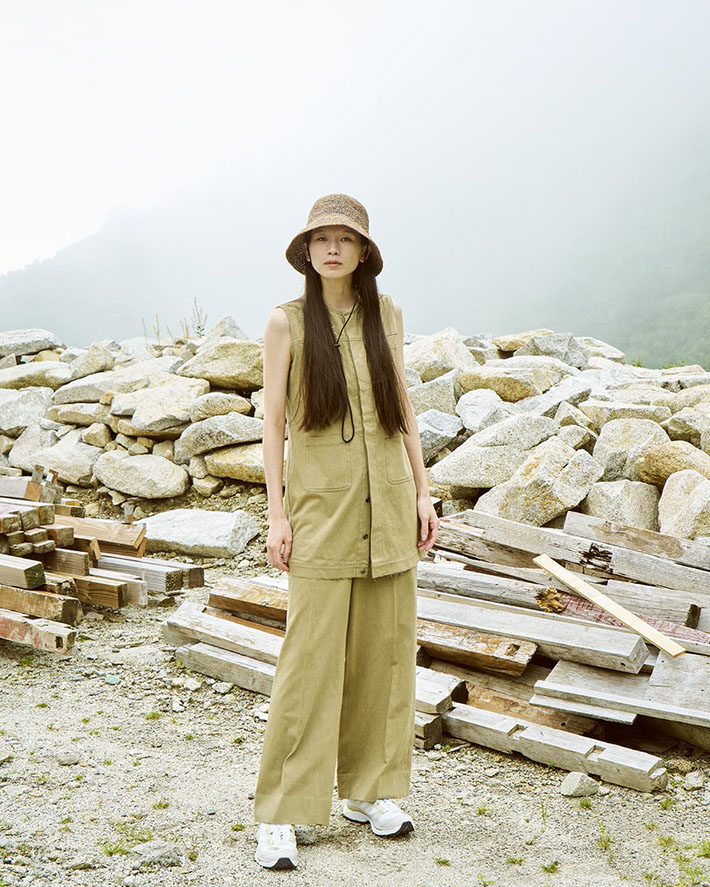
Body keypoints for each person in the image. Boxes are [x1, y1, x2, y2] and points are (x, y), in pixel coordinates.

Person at [253, 193, 439, 870]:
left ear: (364, 252)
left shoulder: (388, 314)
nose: (333, 248)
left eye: (346, 239)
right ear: (307, 252)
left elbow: (403, 406)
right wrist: (276, 513)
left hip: (388, 505)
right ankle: (282, 811)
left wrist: (423, 488)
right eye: (321, 238)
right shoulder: (286, 322)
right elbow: (273, 422)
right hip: (320, 514)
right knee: (309, 663)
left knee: (383, 659)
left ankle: (369, 792)